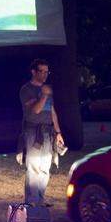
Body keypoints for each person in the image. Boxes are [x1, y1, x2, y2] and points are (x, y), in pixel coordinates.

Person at [18, 58, 64, 203]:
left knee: (45, 167)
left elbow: (52, 111)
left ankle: (40, 200)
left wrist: (58, 133)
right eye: (41, 71)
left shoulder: (48, 90)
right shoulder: (26, 90)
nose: (45, 75)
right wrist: (44, 95)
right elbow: (36, 110)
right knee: (33, 168)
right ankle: (32, 202)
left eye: (47, 71)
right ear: (33, 72)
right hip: (33, 132)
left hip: (47, 132)